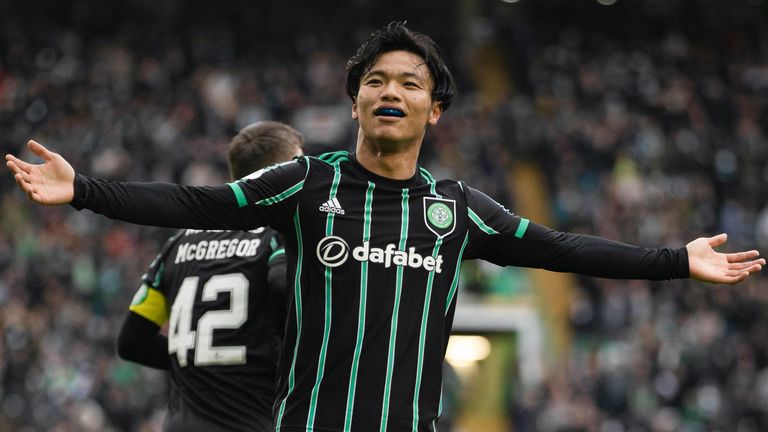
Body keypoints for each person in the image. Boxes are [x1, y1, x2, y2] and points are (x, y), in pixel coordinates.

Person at [6, 22, 764, 432]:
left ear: (435, 110)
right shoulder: (308, 181)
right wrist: (85, 192)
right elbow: (201, 204)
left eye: (410, 81)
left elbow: (557, 247)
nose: (390, 90)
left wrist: (673, 259)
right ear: (357, 102)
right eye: (375, 80)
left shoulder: (456, 207)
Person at [115, 121, 304, 432]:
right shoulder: (279, 233)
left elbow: (131, 342)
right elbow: (281, 285)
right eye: (299, 163)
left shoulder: (179, 243)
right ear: (284, 172)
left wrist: (206, 359)